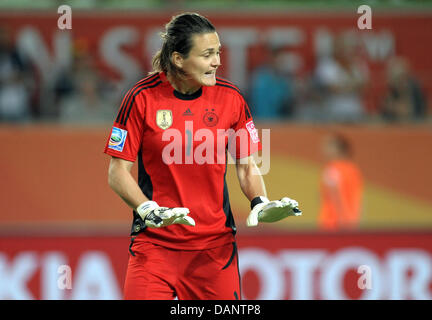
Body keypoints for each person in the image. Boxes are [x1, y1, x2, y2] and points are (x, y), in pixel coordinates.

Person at [103, 12, 300, 300]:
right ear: (178, 59)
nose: (217, 62)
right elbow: (117, 172)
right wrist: (148, 210)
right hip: (154, 248)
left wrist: (260, 201)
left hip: (214, 253)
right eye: (207, 54)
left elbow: (246, 167)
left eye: (218, 52)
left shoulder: (231, 99)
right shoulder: (141, 98)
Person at [314, 32, 369, 122]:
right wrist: (354, 85)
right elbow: (333, 89)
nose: (347, 51)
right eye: (344, 48)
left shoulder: (359, 65)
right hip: (334, 112)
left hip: (356, 111)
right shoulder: (326, 66)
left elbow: (365, 88)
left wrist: (345, 86)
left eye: (349, 48)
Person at [318, 133, 363, 231]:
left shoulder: (332, 169)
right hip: (351, 221)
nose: (324, 150)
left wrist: (342, 220)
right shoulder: (353, 170)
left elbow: (335, 195)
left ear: (337, 149)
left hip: (333, 224)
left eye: (328, 146)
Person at [380, 56, 427, 122]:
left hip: (415, 126)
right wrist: (394, 107)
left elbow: (419, 111)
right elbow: (385, 111)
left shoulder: (415, 89)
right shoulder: (391, 90)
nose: (400, 83)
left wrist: (402, 109)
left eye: (401, 78)